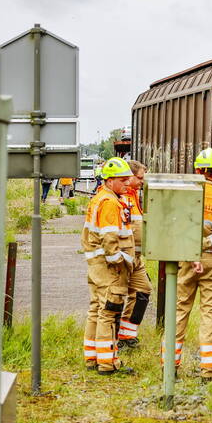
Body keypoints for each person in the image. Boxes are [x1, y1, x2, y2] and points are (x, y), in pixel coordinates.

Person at [172, 147, 212, 381]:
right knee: (209, 312)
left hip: (186, 260)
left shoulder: (183, 196)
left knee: (179, 310)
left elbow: (175, 229)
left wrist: (192, 249)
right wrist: (205, 243)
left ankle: (170, 366)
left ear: (196, 170)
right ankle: (209, 370)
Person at [80, 157, 136, 375]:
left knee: (95, 309)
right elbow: (110, 239)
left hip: (95, 264)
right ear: (110, 180)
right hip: (108, 267)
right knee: (109, 311)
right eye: (123, 180)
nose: (127, 184)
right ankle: (107, 363)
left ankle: (92, 358)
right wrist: (120, 262)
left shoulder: (99, 199)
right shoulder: (110, 203)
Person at [117, 160, 153, 349]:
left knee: (143, 290)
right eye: (139, 178)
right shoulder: (121, 197)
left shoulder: (133, 195)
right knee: (115, 296)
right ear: (128, 176)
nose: (142, 182)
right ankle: (114, 337)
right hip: (124, 257)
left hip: (136, 258)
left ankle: (127, 333)